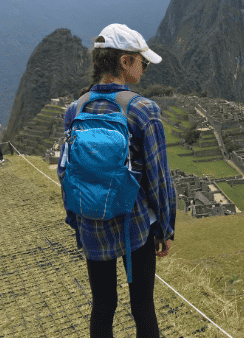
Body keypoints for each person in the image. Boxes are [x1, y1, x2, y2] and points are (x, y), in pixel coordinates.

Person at [57, 24, 176, 338]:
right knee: (142, 307)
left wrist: (76, 220)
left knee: (103, 305)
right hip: (134, 225)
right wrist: (164, 228)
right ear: (125, 62)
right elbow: (159, 178)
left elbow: (65, 172)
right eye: (142, 62)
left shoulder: (75, 110)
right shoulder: (142, 111)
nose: (145, 68)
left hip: (91, 224)